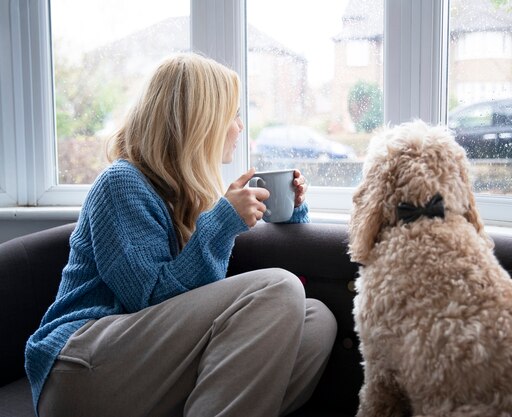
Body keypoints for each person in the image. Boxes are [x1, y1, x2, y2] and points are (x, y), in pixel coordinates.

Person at [25, 52, 337, 417]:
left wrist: (291, 210)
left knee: (315, 320)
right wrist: (222, 222)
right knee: (279, 288)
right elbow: (151, 300)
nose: (239, 127)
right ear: (201, 121)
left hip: (144, 367)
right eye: (232, 115)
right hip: (78, 368)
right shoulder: (121, 184)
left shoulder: (189, 194)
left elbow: (205, 310)